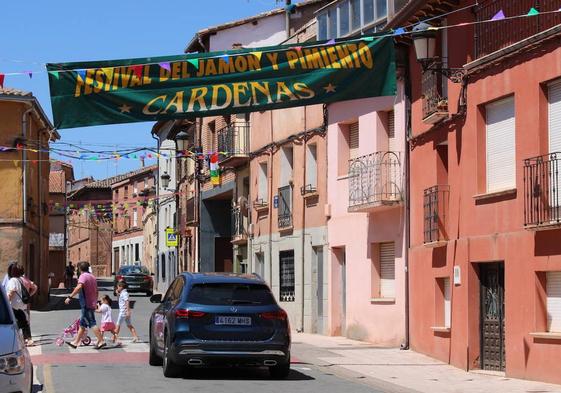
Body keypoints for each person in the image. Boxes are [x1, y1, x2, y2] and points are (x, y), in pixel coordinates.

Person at [64, 261, 106, 349]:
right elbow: (96, 291)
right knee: (82, 325)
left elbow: (79, 287)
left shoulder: (83, 276)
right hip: (91, 303)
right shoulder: (92, 277)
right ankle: (75, 342)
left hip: (86, 304)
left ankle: (101, 341)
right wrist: (95, 302)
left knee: (92, 323)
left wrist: (70, 297)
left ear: (79, 268)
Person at [5, 262, 33, 345]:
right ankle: (27, 339)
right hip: (21, 305)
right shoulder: (21, 279)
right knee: (24, 322)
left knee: (14, 325)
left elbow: (11, 293)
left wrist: (6, 303)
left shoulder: (13, 280)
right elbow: (33, 287)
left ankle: (16, 341)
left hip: (14, 306)